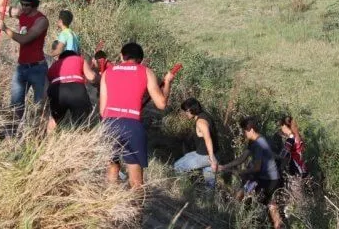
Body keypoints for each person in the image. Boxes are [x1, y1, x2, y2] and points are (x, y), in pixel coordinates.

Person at [100, 42, 175, 189]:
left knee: (112, 170)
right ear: (140, 60)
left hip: (109, 124)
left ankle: (109, 207)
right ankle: (137, 210)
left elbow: (102, 111)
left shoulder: (107, 73)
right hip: (132, 126)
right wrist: (167, 83)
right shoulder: (146, 71)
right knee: (136, 182)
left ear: (121, 56)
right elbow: (161, 104)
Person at [0, 0, 49, 120]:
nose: (24, 7)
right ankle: (11, 135)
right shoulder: (21, 14)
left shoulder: (41, 21)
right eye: (22, 4)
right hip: (22, 67)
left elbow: (25, 39)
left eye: (27, 5)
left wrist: (5, 29)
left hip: (38, 69)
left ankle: (38, 137)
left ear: (34, 5)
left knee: (39, 108)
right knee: (15, 106)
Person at [219, 117, 283, 229]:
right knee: (246, 192)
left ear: (251, 130)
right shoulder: (254, 141)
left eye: (245, 131)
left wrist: (241, 171)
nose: (244, 133)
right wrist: (224, 167)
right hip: (263, 176)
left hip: (268, 178)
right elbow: (242, 158)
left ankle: (276, 225)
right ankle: (238, 217)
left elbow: (257, 167)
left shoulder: (259, 143)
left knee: (268, 202)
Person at [46, 46, 97, 133]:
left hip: (56, 90)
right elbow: (91, 77)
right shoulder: (79, 59)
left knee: (54, 119)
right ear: (75, 56)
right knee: (82, 123)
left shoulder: (54, 65)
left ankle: (48, 142)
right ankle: (80, 142)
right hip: (76, 90)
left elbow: (47, 83)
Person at [174, 98, 219, 188]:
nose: (185, 114)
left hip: (206, 156)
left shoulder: (200, 122)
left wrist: (212, 159)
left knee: (177, 166)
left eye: (186, 111)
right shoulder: (206, 116)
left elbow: (208, 139)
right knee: (209, 186)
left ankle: (184, 190)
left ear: (190, 110)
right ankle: (208, 200)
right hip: (211, 153)